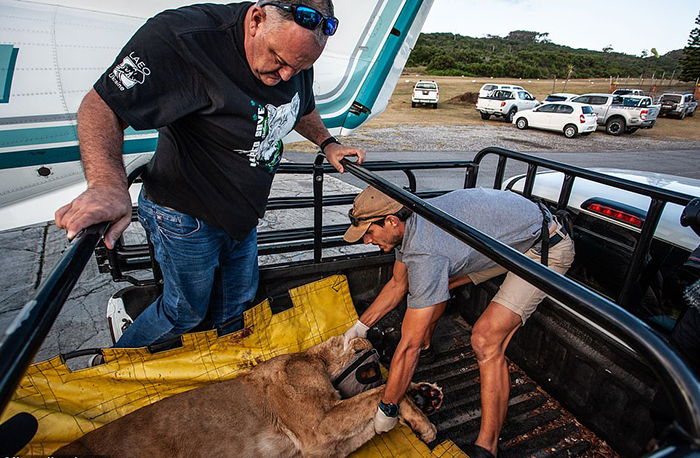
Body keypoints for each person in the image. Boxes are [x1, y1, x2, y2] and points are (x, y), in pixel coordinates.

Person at [55, 0, 365, 348]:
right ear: (257, 19)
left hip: (241, 215)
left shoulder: (295, 55)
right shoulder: (184, 38)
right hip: (186, 217)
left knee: (236, 308)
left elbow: (300, 105)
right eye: (278, 61)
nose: (286, 76)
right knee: (184, 312)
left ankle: (219, 368)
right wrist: (107, 185)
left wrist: (327, 142)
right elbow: (102, 106)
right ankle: (113, 365)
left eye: (300, 66)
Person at [342, 186, 575, 458]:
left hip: (543, 247)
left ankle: (487, 448)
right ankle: (429, 346)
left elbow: (408, 347)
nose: (366, 241)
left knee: (485, 340)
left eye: (369, 232)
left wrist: (388, 407)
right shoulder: (410, 221)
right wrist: (360, 327)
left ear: (391, 221)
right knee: (435, 284)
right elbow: (397, 284)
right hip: (509, 240)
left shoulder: (425, 250)